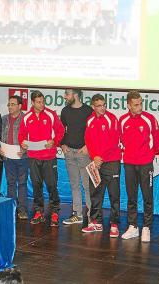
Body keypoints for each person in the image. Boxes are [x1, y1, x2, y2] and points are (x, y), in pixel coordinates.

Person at [18, 90, 65, 226]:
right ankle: (38, 211)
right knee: (36, 185)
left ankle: (55, 212)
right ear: (32, 103)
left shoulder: (51, 114)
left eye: (43, 101)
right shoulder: (27, 117)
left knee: (51, 185)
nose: (42, 104)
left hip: (49, 157)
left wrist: (54, 141)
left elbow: (61, 131)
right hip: (33, 156)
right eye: (38, 102)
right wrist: (22, 143)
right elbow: (21, 135)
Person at [119, 90, 159, 242]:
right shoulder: (123, 120)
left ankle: (147, 227)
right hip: (129, 163)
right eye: (136, 105)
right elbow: (121, 139)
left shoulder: (149, 119)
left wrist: (151, 154)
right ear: (129, 105)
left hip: (145, 164)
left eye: (141, 103)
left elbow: (157, 138)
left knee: (147, 196)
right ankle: (133, 227)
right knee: (131, 196)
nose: (139, 107)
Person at [81, 94, 121, 238]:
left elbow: (113, 141)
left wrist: (100, 157)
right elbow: (88, 140)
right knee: (95, 193)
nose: (103, 108)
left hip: (111, 162)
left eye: (104, 105)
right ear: (93, 107)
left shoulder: (112, 119)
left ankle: (114, 224)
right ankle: (95, 222)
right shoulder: (90, 120)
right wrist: (94, 157)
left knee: (114, 195)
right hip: (96, 163)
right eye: (99, 106)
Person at [60, 89, 93, 225]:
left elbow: (93, 130)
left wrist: (88, 146)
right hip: (70, 153)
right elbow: (61, 130)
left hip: (84, 154)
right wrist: (62, 144)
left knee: (87, 186)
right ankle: (77, 214)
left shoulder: (88, 111)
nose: (65, 97)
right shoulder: (65, 111)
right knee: (74, 185)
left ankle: (92, 215)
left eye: (67, 94)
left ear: (75, 95)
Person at [0, 95, 28, 219]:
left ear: (20, 106)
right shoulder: (3, 119)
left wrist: (25, 150)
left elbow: (31, 137)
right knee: (11, 183)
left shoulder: (26, 119)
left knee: (22, 183)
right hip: (7, 156)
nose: (10, 107)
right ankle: (12, 208)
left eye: (12, 104)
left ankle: (22, 210)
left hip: (22, 157)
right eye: (9, 104)